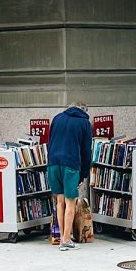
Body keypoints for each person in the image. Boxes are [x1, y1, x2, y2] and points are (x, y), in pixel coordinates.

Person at [46, 102, 91, 251]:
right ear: (84, 110)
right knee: (70, 201)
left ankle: (62, 237)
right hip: (70, 164)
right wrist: (84, 172)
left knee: (60, 200)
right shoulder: (84, 123)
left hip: (53, 163)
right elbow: (86, 150)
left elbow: (49, 141)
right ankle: (66, 239)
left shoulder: (57, 118)